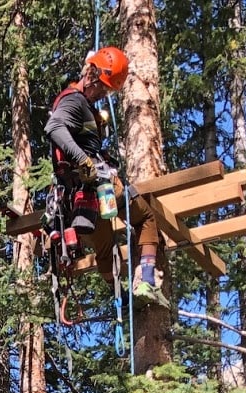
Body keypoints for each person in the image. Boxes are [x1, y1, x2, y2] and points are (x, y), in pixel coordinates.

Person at [43, 46, 170, 309]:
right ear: (91, 73)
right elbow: (54, 127)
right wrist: (83, 159)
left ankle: (121, 299)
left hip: (82, 195)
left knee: (103, 249)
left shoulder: (83, 103)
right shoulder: (74, 101)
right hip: (98, 182)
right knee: (146, 218)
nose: (103, 93)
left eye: (107, 90)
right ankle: (145, 280)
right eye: (102, 86)